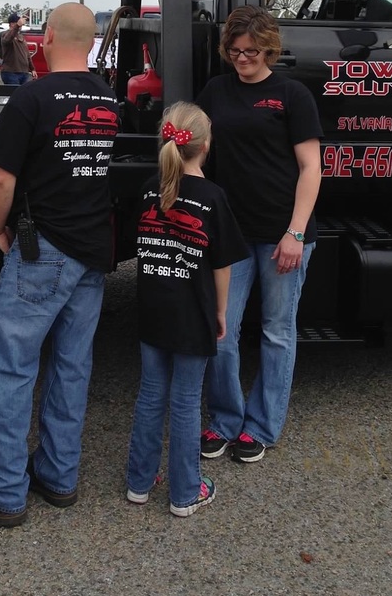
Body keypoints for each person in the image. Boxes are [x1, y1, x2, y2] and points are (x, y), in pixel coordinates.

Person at [0, 2, 119, 527]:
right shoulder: (107, 99)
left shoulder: (32, 98)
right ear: (90, 44)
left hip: (41, 251)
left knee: (12, 367)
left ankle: (1, 491)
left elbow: (0, 179)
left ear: (45, 43)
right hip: (93, 252)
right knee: (72, 367)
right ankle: (58, 477)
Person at [197, 5, 322, 464]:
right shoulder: (215, 91)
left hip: (282, 235)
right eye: (234, 51)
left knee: (276, 332)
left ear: (269, 47)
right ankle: (225, 421)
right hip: (230, 233)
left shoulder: (291, 95)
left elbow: (312, 168)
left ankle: (262, 427)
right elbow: (195, 153)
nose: (243, 58)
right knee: (221, 331)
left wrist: (295, 233)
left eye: (251, 51)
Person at [126, 103, 247, 517]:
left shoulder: (147, 189)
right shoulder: (213, 198)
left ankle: (139, 483)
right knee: (184, 400)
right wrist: (221, 312)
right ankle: (185, 492)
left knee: (150, 394)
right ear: (206, 145)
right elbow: (221, 264)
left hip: (152, 308)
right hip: (192, 313)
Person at [0, 12, 37, 85]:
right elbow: (8, 39)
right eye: (18, 22)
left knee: (23, 95)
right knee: (13, 94)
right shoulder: (5, 35)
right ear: (12, 24)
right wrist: (17, 26)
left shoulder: (21, 37)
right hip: (11, 73)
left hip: (24, 73)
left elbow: (27, 55)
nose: (21, 24)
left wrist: (32, 69)